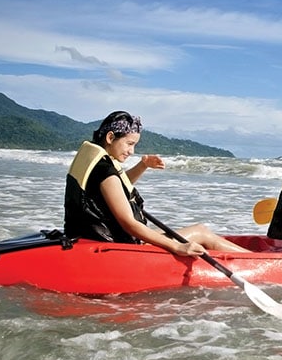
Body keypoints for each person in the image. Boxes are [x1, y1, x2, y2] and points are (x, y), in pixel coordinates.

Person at [64, 110, 248, 256]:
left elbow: (117, 188)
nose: (131, 151)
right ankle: (262, 262)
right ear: (110, 138)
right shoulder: (104, 170)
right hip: (118, 245)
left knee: (200, 231)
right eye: (129, 143)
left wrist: (143, 165)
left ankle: (255, 257)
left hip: (96, 236)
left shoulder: (99, 165)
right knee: (201, 232)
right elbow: (129, 224)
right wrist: (177, 248)